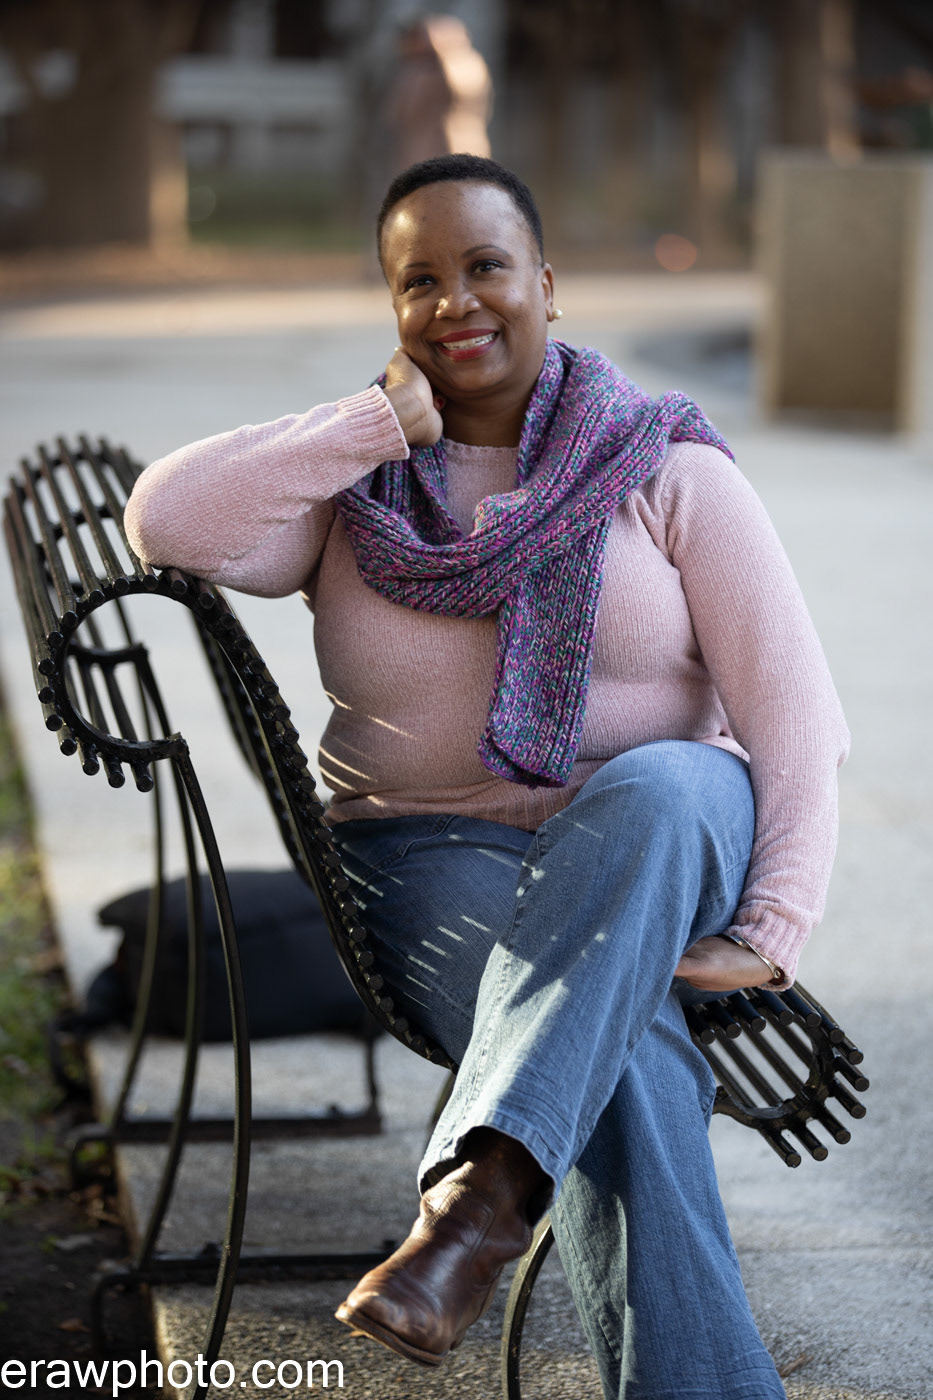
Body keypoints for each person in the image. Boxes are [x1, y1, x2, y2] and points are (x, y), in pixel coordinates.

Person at [125, 154, 849, 1399]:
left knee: (659, 786)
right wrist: (372, 425)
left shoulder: (665, 466)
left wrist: (776, 919)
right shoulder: (355, 490)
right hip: (430, 852)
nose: (456, 301)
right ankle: (503, 1198)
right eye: (421, 280)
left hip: (668, 835)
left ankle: (472, 1211)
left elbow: (795, 711)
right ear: (393, 307)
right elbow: (168, 518)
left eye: (486, 267)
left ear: (546, 285)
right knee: (622, 1063)